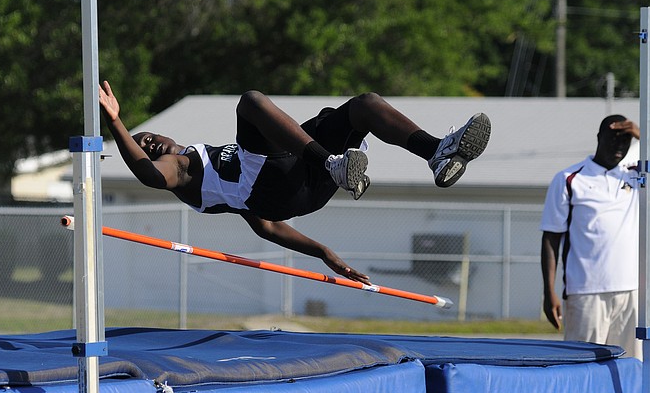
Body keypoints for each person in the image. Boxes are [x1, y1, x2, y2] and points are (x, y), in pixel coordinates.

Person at [99, 81, 491, 281]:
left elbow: (267, 227)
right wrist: (117, 123)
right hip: (282, 182)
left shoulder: (218, 172)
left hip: (297, 191)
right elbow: (150, 174)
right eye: (145, 147)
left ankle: (436, 153)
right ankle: (332, 164)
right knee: (251, 102)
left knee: (364, 107)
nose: (149, 143)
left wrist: (323, 252)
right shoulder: (183, 170)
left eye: (148, 138)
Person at [541, 115, 642, 359]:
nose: (619, 146)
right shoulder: (569, 179)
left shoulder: (637, 176)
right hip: (586, 291)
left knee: (632, 368)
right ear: (598, 138)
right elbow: (551, 238)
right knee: (583, 367)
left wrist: (642, 134)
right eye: (613, 139)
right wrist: (549, 291)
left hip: (632, 292)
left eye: (626, 140)